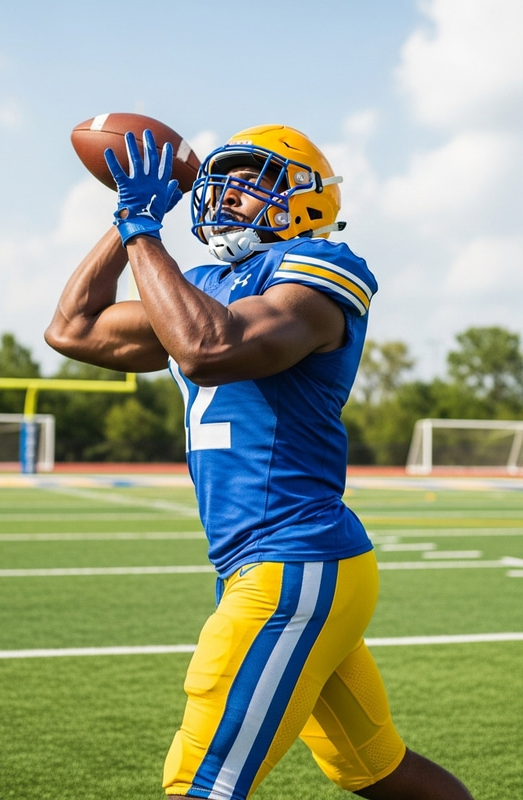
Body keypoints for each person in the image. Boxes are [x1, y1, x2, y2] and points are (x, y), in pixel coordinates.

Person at [45, 124, 473, 800]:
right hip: (262, 566)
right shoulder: (203, 281)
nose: (231, 192)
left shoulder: (321, 267)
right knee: (376, 770)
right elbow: (72, 328)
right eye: (223, 178)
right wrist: (129, 214)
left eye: (258, 178)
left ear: (308, 194)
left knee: (198, 786)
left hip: (295, 565)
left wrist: (141, 230)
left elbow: (208, 349)